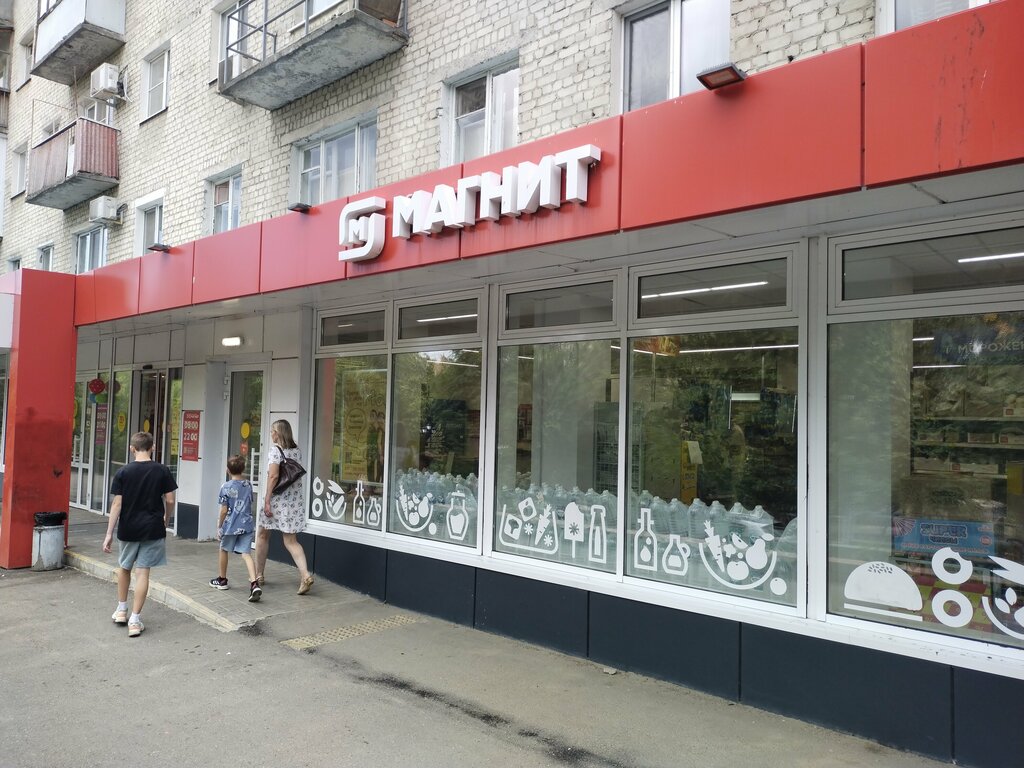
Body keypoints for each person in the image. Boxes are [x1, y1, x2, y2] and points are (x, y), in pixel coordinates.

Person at [102, 432, 178, 638]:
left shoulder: (123, 472)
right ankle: (135, 621)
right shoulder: (162, 470)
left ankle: (121, 610)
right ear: (153, 447)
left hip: (128, 528)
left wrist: (109, 533)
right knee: (143, 573)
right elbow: (170, 499)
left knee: (124, 567)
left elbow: (117, 504)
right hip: (153, 528)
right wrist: (166, 519)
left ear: (132, 449)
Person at [255, 419, 314, 595]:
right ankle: (305, 575)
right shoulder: (297, 451)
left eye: (272, 431)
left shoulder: (275, 451)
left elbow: (273, 476)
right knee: (291, 541)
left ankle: (259, 575)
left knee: (263, 535)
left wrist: (267, 499)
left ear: (278, 433)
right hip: (294, 502)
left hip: (277, 500)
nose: (271, 434)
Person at [209, 455, 262, 602]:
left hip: (230, 526)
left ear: (227, 470)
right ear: (243, 469)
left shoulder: (225, 487)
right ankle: (254, 583)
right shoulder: (248, 485)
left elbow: (224, 510)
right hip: (246, 524)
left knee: (223, 549)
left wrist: (219, 526)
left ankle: (222, 580)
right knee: (246, 554)